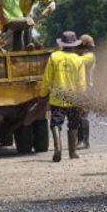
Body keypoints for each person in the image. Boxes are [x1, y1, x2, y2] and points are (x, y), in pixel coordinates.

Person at [43, 31, 86, 162]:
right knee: (73, 125)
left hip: (57, 97)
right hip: (73, 98)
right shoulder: (79, 60)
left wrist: (42, 94)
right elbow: (82, 84)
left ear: (62, 43)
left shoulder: (53, 57)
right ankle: (72, 153)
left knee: (56, 123)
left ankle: (58, 149)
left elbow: (47, 79)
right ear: (74, 45)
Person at [76, 34, 96, 150]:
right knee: (77, 115)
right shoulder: (81, 56)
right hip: (80, 89)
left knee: (82, 115)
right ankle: (80, 139)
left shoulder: (89, 57)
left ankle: (84, 141)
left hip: (86, 89)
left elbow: (77, 62)